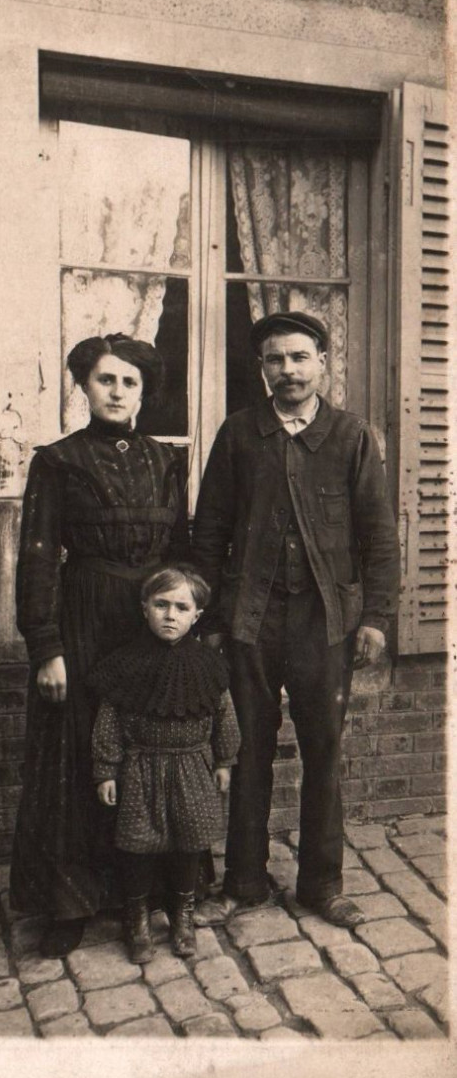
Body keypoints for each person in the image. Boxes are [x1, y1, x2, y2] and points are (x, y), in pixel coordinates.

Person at [191, 311, 400, 928]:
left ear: (322, 363)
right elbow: (209, 533)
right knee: (249, 747)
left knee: (324, 751)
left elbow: (380, 542)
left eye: (299, 357)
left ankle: (322, 884)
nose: (288, 370)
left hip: (325, 622)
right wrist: (209, 617)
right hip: (248, 620)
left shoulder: (352, 438)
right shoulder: (237, 436)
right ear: (262, 371)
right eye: (275, 360)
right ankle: (246, 881)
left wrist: (377, 619)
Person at [10, 333, 190, 957]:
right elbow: (36, 559)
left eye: (129, 381)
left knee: (152, 752)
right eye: (105, 380)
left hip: (151, 625)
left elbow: (184, 553)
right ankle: (70, 903)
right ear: (83, 387)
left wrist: (183, 623)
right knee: (80, 751)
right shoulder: (58, 461)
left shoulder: (167, 462)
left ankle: (157, 892)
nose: (117, 391)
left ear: (144, 390)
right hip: (85, 619)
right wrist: (45, 647)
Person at [88, 565, 240, 963]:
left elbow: (224, 715)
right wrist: (106, 769)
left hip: (192, 767)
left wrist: (225, 760)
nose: (170, 615)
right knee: (138, 844)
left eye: (181, 607)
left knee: (189, 842)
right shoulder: (125, 664)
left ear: (196, 616)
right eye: (161, 605)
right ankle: (136, 918)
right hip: (141, 768)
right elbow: (109, 720)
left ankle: (182, 916)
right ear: (144, 609)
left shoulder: (208, 665)